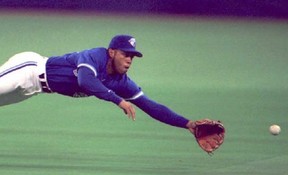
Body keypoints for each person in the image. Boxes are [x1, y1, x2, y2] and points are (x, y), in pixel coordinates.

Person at [0, 34, 200, 135]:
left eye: (132, 56)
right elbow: (85, 80)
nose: (129, 59)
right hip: (27, 68)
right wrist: (117, 100)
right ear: (112, 52)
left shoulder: (121, 82)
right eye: (125, 54)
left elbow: (151, 106)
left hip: (34, 89)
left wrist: (187, 124)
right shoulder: (96, 56)